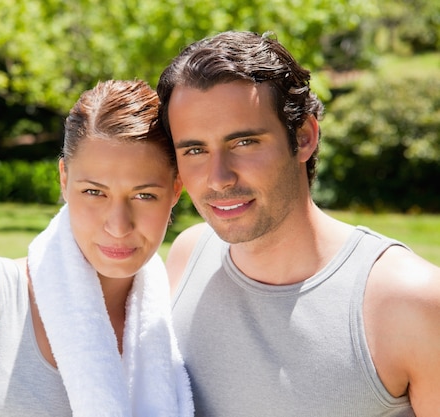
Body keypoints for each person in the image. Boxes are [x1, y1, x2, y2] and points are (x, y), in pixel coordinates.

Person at [156, 30, 440, 416]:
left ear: (303, 137)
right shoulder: (188, 256)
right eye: (194, 149)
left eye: (244, 143)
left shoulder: (409, 300)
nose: (218, 177)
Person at [0, 79, 193, 417]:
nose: (118, 225)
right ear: (64, 179)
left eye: (144, 195)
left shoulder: (176, 321)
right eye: (94, 192)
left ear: (176, 190)